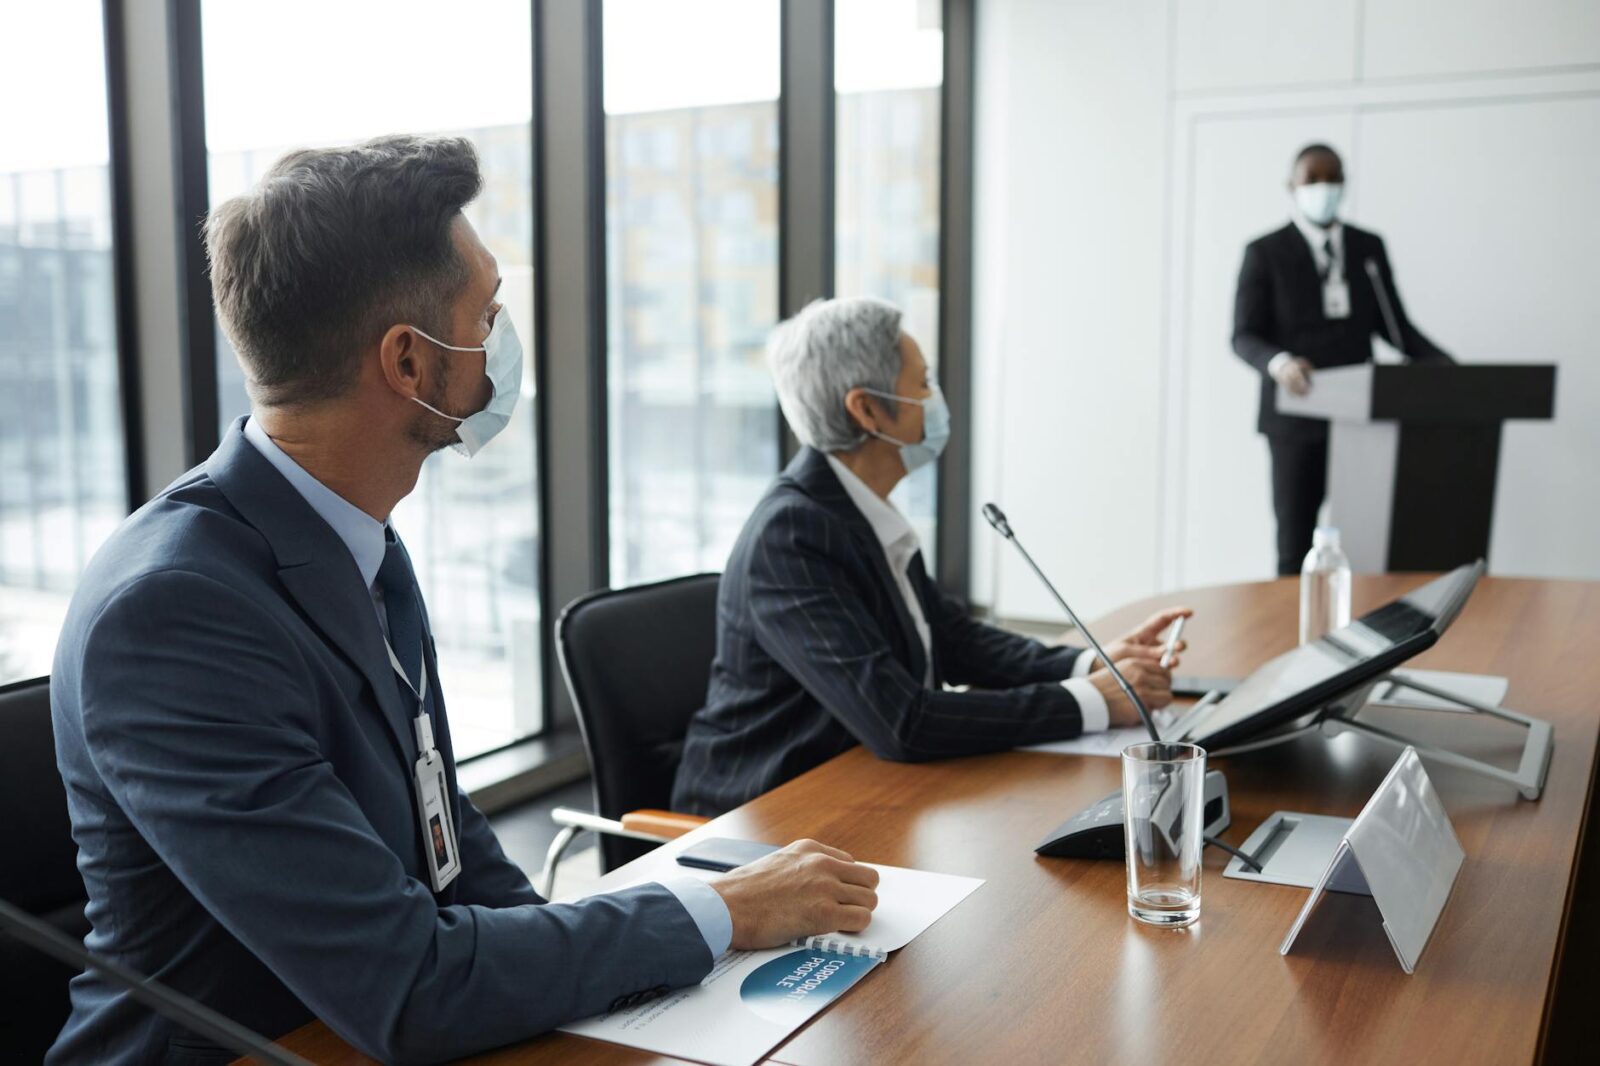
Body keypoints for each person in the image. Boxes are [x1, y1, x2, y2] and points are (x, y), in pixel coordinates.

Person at [49, 136, 878, 1064]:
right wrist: (716, 914)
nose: (503, 342)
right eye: (487, 314)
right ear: (407, 362)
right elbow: (405, 984)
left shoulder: (353, 539)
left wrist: (604, 996)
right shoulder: (174, 615)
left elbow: (452, 847)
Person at [671, 297, 1192, 818]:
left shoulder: (857, 508)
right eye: (922, 384)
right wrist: (1093, 702)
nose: (936, 398)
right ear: (867, 409)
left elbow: (952, 638)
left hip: (856, 789)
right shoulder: (790, 535)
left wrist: (1093, 665)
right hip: (758, 815)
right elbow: (903, 720)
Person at [1233, 142, 1454, 576]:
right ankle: (1292, 637)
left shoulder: (1366, 249)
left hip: (1359, 417)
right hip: (1296, 421)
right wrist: (1280, 363)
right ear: (1291, 186)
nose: (1323, 188)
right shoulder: (1265, 252)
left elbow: (1395, 328)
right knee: (1294, 545)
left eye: (1332, 178)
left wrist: (1450, 369)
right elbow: (1243, 335)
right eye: (1312, 179)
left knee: (1363, 544)